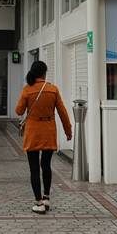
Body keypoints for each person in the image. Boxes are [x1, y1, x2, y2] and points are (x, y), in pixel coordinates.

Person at [14, 60, 72, 214]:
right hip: (48, 131)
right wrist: (68, 130)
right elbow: (62, 112)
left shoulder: (27, 89)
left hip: (33, 132)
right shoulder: (53, 89)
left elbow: (19, 111)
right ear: (44, 73)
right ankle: (46, 198)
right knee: (46, 165)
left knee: (34, 168)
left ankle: (38, 202)